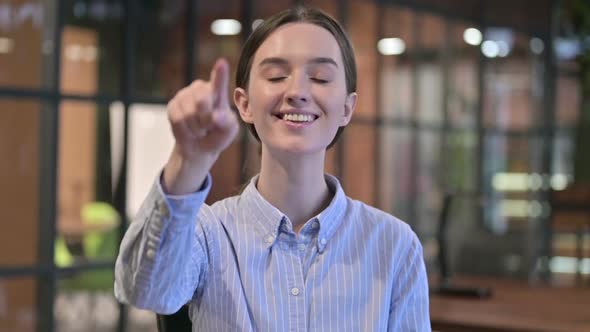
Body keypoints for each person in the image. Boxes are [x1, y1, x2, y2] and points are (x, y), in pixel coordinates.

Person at [115, 6, 431, 331]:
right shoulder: (207, 235)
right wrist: (188, 159)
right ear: (244, 104)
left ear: (347, 109)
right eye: (277, 76)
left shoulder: (394, 245)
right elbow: (144, 290)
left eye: (320, 77)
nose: (297, 92)